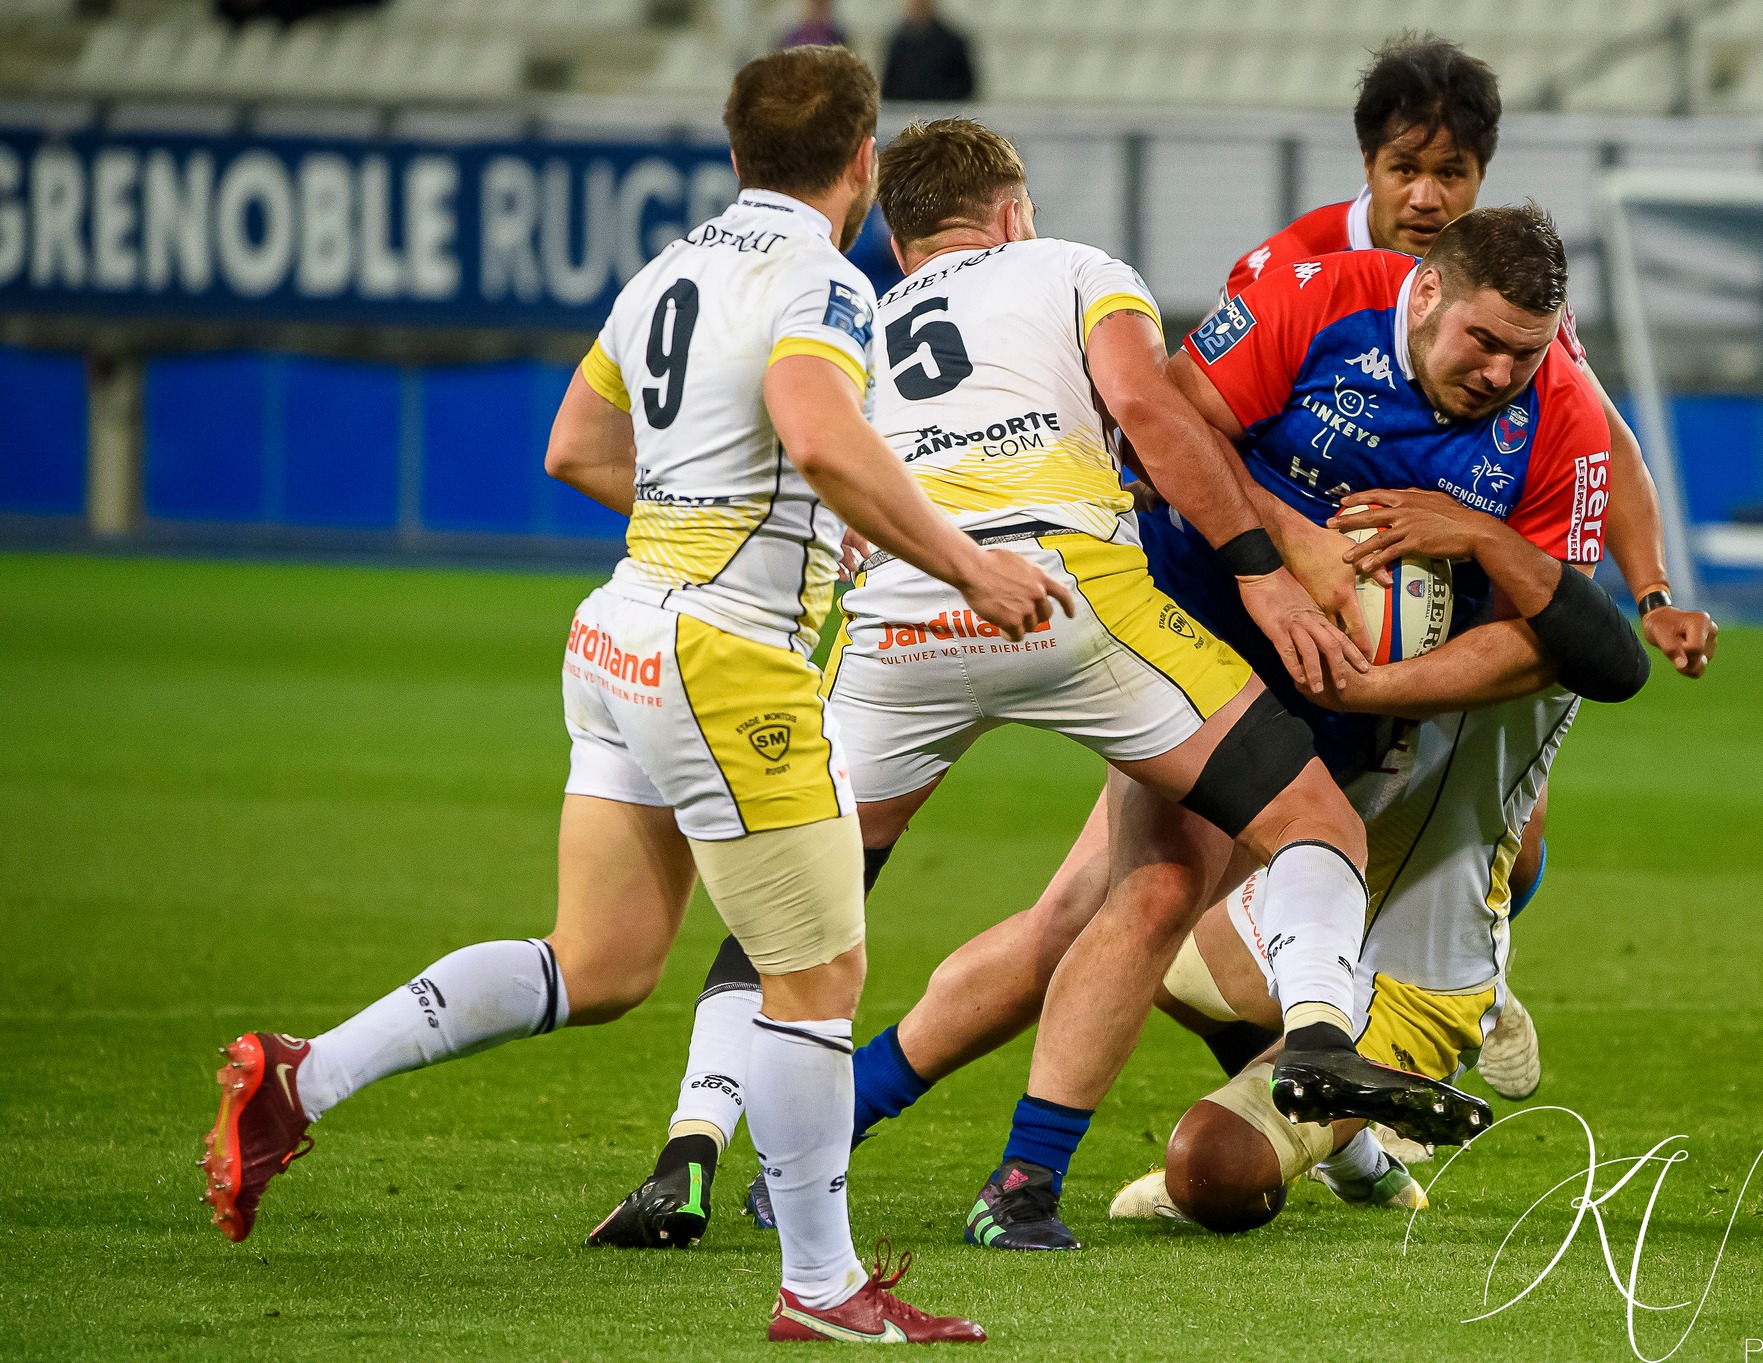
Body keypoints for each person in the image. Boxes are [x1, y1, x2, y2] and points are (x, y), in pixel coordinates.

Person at [192, 47, 1068, 1345]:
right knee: (818, 971)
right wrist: (965, 563)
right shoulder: (824, 278)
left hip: (618, 632)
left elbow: (577, 447)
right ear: (861, 162)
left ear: (732, 155)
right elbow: (819, 433)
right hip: (723, 652)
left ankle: (305, 1075)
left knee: (598, 962)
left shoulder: (670, 268)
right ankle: (823, 1286)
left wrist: (723, 520)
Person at [588, 114, 1492, 1255]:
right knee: (1303, 815)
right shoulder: (1072, 267)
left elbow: (760, 458)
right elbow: (1153, 410)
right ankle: (1302, 1042)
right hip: (1066, 594)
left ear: (901, 236)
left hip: (897, 620)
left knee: (798, 906)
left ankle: (694, 1151)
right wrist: (1261, 571)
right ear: (1012, 210)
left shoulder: (850, 317)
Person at [698, 204, 1650, 1254]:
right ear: (1423, 291)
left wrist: (1380, 683)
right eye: (1483, 343)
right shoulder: (1314, 295)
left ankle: (1333, 1120)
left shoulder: (1558, 408)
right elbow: (1163, 435)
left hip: (1360, 701)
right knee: (1152, 893)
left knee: (1079, 912)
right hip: (1201, 628)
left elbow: (1566, 646)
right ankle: (1037, 1173)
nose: (1500, 372)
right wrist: (1283, 550)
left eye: (1525, 352)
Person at [1223, 33, 1719, 1097]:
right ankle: (1339, 1049)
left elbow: (1607, 441)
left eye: (1451, 172)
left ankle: (1464, 981)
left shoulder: (1508, 294)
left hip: (1445, 593)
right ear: (1367, 165)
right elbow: (1199, 425)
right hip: (1299, 592)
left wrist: (1651, 591)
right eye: (1406, 168)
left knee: (1517, 843)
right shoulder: (1298, 265)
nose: (1426, 193)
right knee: (1256, 856)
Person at [1111, 674, 1580, 1231]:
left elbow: (1603, 656)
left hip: (1410, 986)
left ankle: (1479, 999)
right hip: (1306, 902)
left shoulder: (1513, 645)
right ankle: (1353, 1156)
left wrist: (1649, 594)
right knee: (1149, 948)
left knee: (1211, 1168)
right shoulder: (1315, 617)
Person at [881, 0, 977, 102]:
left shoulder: (952, 42)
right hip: (906, 112)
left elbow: (965, 84)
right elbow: (889, 85)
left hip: (943, 110)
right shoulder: (898, 44)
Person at [781, 0, 848, 50]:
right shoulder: (793, 36)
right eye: (815, 4)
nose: (817, 10)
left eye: (822, 5)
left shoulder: (838, 36)